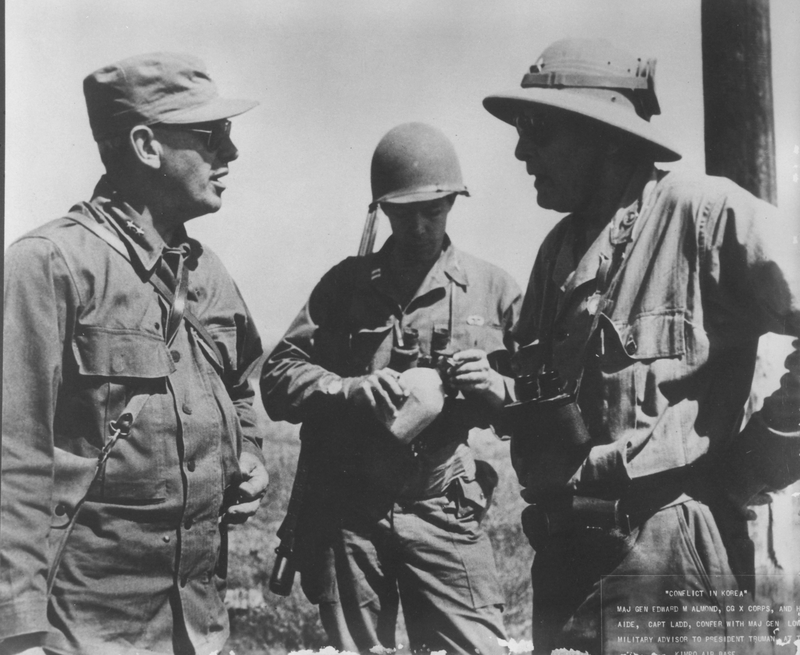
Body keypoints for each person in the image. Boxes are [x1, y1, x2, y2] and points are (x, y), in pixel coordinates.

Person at [483, 38, 800, 654]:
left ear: (604, 135)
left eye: (537, 128)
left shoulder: (703, 215)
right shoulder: (558, 251)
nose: (522, 151)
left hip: (669, 560)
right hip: (567, 560)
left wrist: (754, 466)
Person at [1, 53, 269, 655]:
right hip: (83, 633)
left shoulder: (207, 274)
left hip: (197, 625)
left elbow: (242, 387)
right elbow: (11, 458)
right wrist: (18, 637)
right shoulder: (49, 265)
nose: (230, 154)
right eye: (211, 135)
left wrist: (248, 453)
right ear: (146, 145)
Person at [261, 122, 520, 655]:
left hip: (445, 506)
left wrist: (498, 387)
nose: (420, 226)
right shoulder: (345, 285)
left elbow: (542, 397)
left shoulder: (493, 289)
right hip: (353, 513)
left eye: (434, 210)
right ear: (382, 210)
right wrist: (347, 389)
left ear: (453, 203)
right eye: (404, 213)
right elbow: (279, 376)